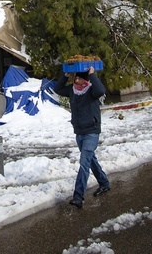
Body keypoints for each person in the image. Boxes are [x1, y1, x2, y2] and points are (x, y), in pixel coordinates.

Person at [54, 66, 110, 209]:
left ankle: (78, 196)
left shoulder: (91, 90)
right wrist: (65, 76)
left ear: (85, 79)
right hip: (79, 132)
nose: (76, 80)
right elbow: (58, 89)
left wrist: (92, 75)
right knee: (91, 161)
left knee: (84, 163)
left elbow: (101, 91)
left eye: (79, 78)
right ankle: (104, 183)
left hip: (91, 131)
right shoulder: (72, 91)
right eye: (75, 77)